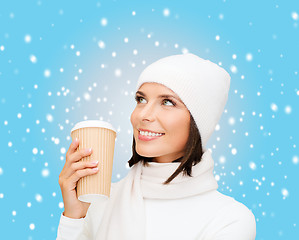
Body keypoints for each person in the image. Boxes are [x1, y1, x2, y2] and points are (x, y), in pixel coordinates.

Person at [56, 53, 256, 240]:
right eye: (141, 99)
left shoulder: (229, 219)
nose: (143, 115)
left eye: (168, 102)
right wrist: (74, 217)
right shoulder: (99, 201)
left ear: (198, 123)